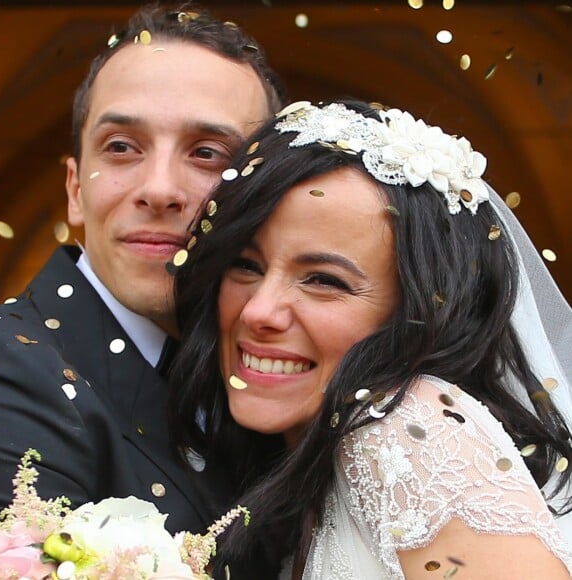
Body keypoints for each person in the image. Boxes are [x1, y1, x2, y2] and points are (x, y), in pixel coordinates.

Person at [169, 99, 572, 578]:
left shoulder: (409, 425)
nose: (258, 311)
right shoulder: (305, 465)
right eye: (246, 265)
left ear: (418, 314)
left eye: (323, 280)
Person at [0, 0, 284, 568]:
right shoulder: (5, 371)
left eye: (206, 153)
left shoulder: (276, 372)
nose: (159, 189)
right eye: (122, 147)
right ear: (76, 189)